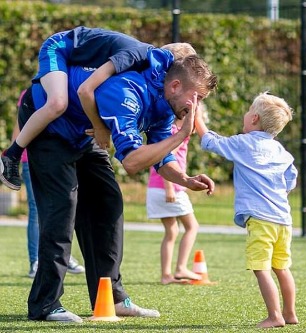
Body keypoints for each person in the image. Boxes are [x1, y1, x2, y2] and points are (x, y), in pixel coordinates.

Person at [18, 44, 217, 322]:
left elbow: (162, 155)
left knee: (108, 205)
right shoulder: (127, 91)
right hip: (51, 129)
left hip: (85, 136)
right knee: (63, 208)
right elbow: (133, 162)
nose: (196, 107)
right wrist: (180, 135)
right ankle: (45, 304)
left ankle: (111, 297)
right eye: (195, 98)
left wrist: (185, 179)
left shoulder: (166, 104)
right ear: (174, 85)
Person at [0, 26, 196, 191]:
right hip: (59, 47)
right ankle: (12, 154)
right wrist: (99, 126)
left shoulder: (148, 76)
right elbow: (86, 90)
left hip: (76, 60)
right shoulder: (136, 56)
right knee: (57, 103)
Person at [193, 92, 299, 328]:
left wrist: (197, 117)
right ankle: (290, 313)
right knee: (282, 267)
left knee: (261, 268)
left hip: (261, 220)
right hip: (283, 219)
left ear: (254, 120)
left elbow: (211, 142)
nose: (246, 114)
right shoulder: (280, 151)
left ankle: (275, 316)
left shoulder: (244, 143)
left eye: (249, 110)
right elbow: (291, 177)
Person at [13, 90, 85, 278]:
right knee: (36, 210)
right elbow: (19, 127)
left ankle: (63, 256)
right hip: (32, 159)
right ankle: (36, 261)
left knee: (66, 206)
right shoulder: (30, 94)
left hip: (60, 156)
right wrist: (14, 158)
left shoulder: (67, 90)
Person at [146, 116, 202, 285]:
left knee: (172, 232)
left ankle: (166, 275)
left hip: (154, 187)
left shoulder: (165, 131)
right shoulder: (176, 134)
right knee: (192, 226)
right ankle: (181, 268)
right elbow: (167, 158)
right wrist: (169, 187)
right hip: (168, 188)